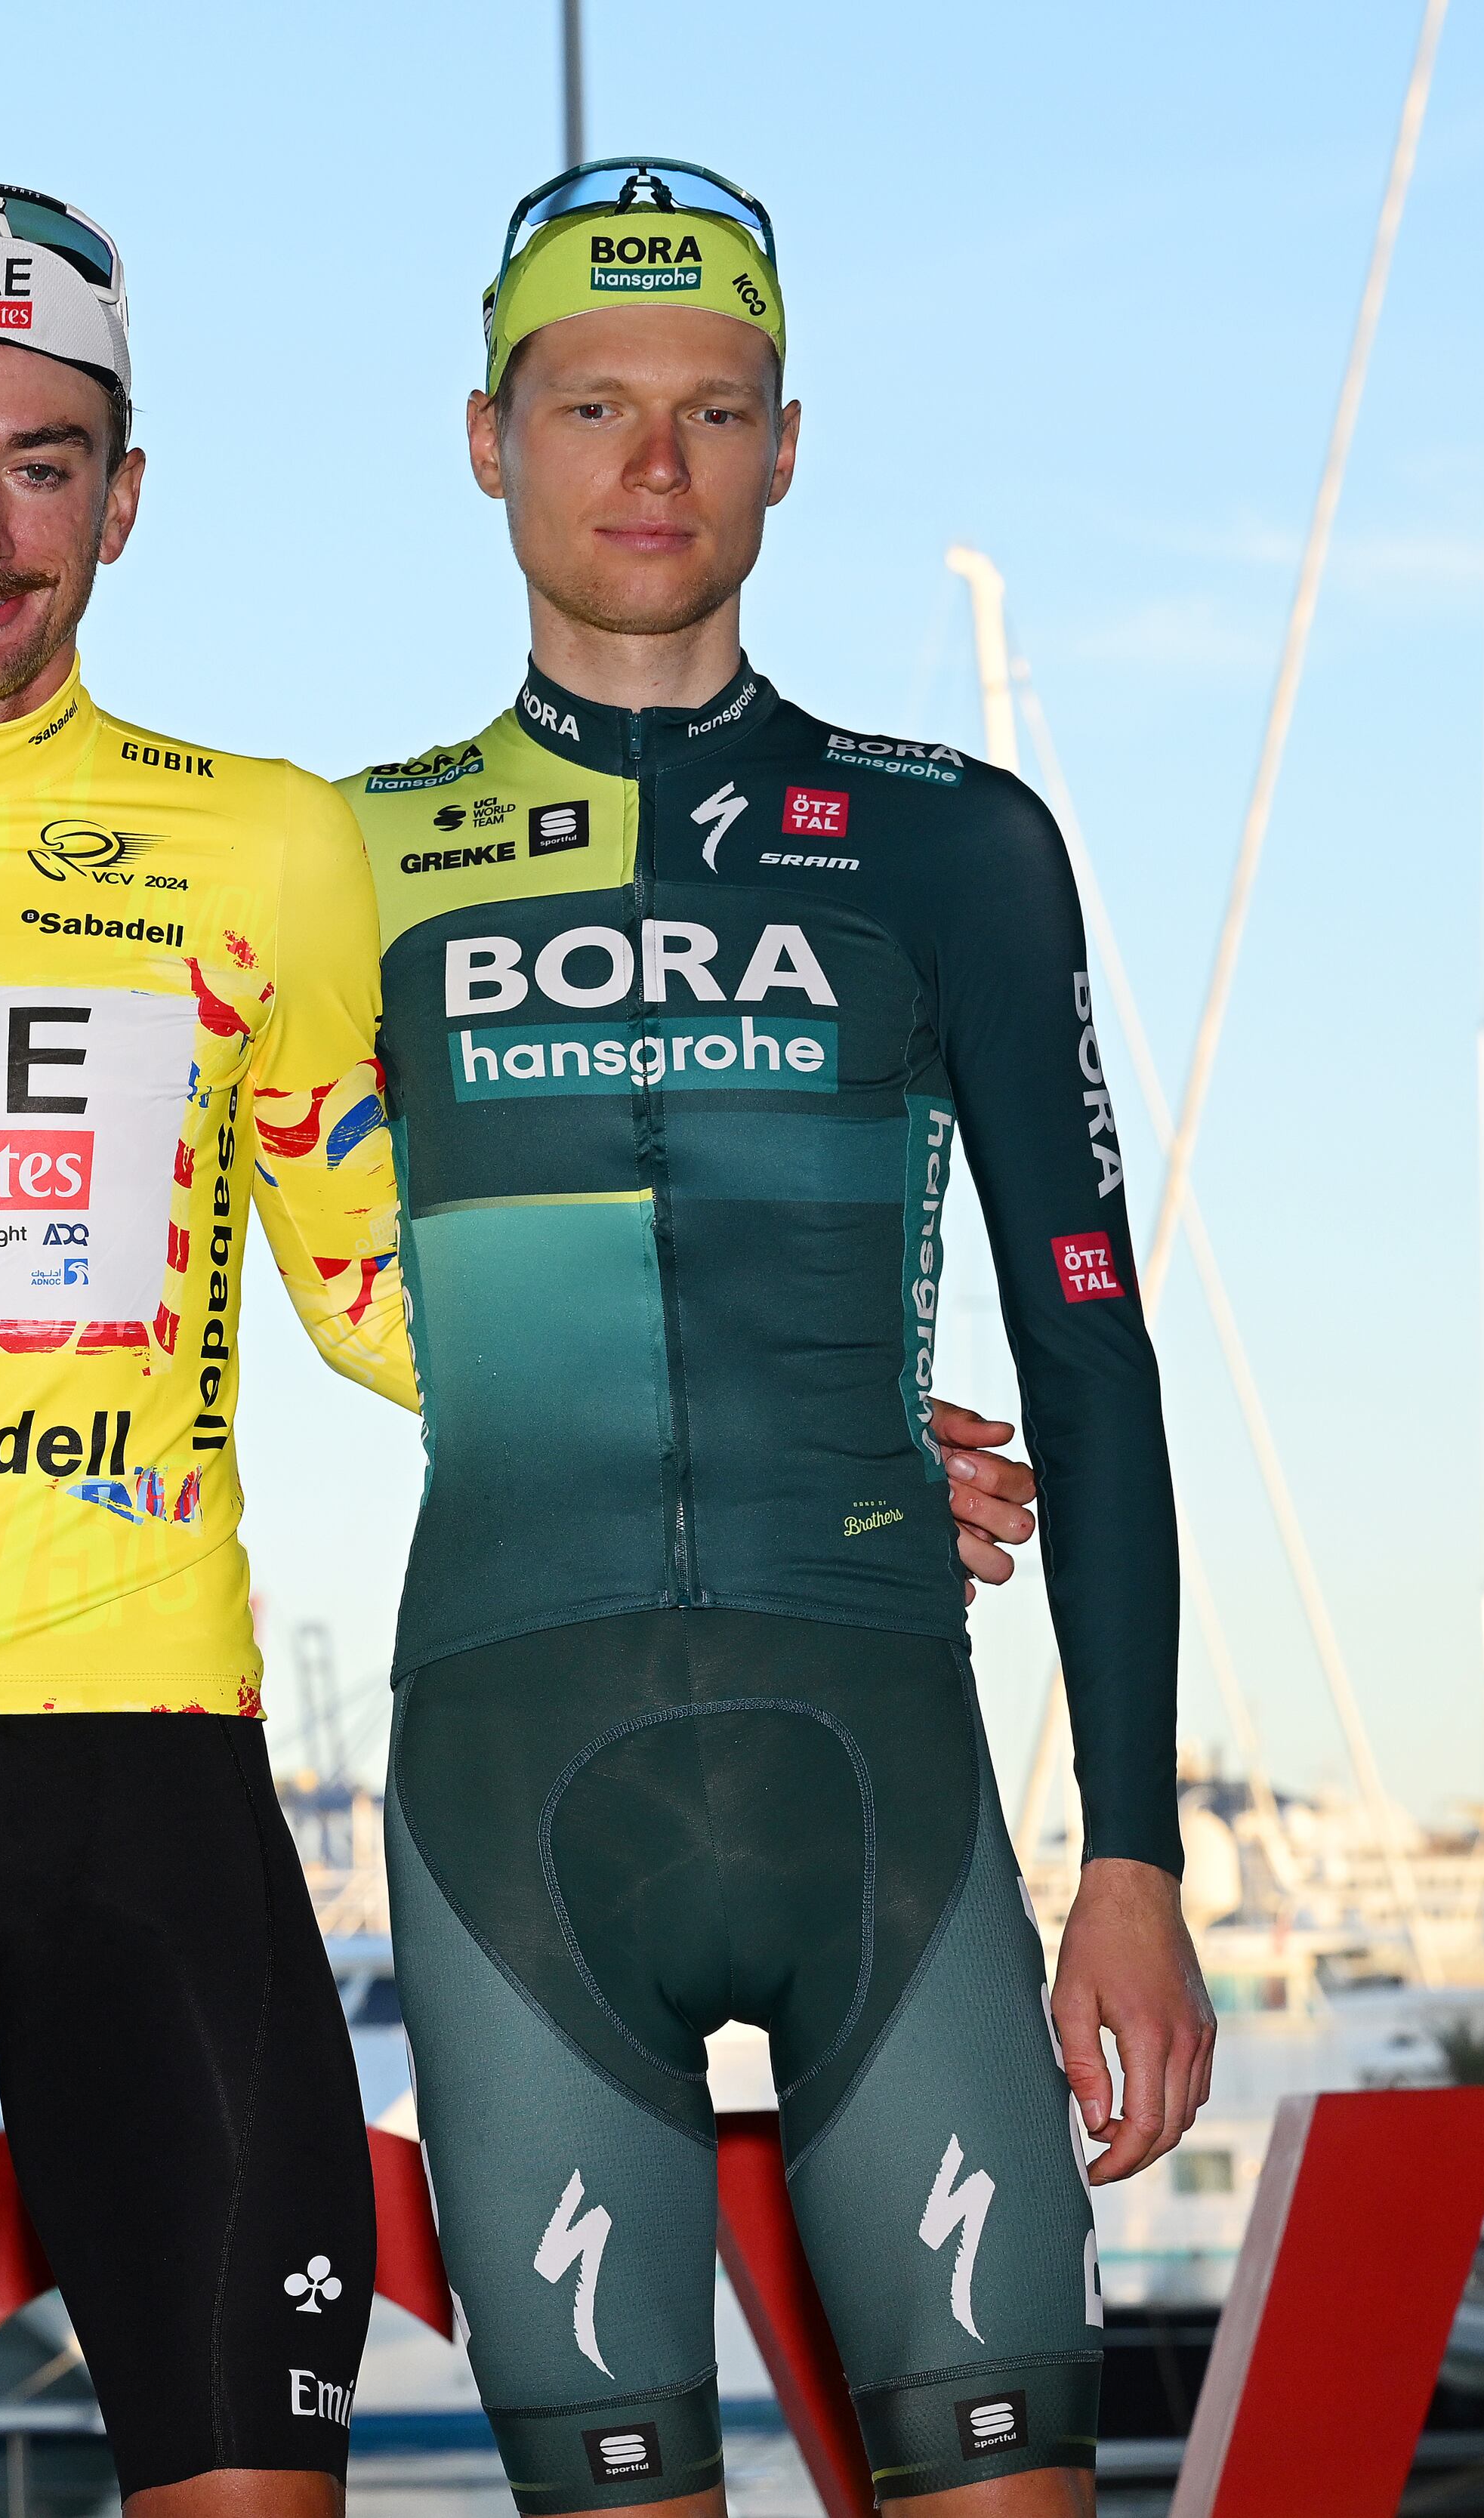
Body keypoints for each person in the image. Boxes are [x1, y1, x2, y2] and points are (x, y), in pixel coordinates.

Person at [0, 187, 1045, 2518]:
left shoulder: (273, 850)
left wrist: (776, 1429)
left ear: (127, 500)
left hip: (158, 1767)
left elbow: (377, 1276)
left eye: (44, 461)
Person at [356, 162, 1205, 2515]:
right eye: (595, 406)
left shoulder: (953, 842)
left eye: (712, 411)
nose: (655, 465)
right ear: (487, 436)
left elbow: (1096, 1359)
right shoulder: (345, 860)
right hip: (515, 1800)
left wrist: (1128, 1855)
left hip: (884, 1783)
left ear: (788, 445)